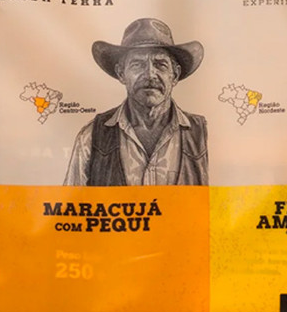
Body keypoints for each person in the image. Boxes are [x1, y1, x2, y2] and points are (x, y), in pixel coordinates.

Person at [64, 18, 208, 186]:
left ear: (174, 75)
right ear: (121, 74)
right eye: (137, 64)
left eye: (160, 65)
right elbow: (71, 200)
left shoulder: (203, 134)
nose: (150, 75)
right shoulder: (90, 137)